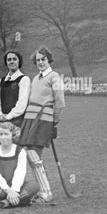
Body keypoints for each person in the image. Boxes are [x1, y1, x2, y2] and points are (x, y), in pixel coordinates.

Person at [17, 46, 65, 202]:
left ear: (48, 59)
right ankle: (42, 189)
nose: (40, 62)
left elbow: (60, 102)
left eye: (43, 59)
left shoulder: (55, 77)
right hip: (30, 119)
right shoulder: (35, 78)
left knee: (35, 156)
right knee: (29, 155)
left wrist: (53, 121)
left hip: (44, 119)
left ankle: (46, 192)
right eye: (37, 60)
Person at [0, 122, 39, 208]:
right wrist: (9, 191)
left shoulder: (20, 151)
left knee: (35, 186)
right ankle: (19, 201)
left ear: (12, 135)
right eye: (1, 134)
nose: (3, 137)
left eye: (6, 134)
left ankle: (4, 203)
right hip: (1, 188)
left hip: (17, 187)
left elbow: (20, 172)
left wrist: (14, 190)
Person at [0, 50, 31, 127]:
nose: (12, 62)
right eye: (9, 60)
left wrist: (8, 117)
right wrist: (0, 115)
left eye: (14, 59)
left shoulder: (24, 79)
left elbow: (21, 104)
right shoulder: (1, 81)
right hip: (3, 123)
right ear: (6, 62)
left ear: (19, 61)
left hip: (18, 122)